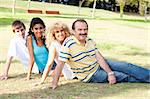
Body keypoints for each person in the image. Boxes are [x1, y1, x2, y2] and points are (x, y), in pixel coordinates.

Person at [51, 19, 150, 89]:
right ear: (73, 31)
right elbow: (60, 65)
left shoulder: (89, 40)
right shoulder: (68, 44)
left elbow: (99, 57)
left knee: (127, 66)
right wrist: (54, 83)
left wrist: (109, 73)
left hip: (98, 65)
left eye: (85, 29)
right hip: (90, 75)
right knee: (122, 76)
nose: (83, 32)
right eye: (80, 30)